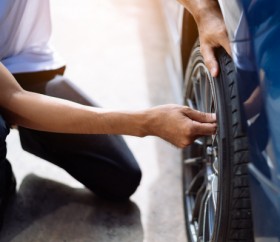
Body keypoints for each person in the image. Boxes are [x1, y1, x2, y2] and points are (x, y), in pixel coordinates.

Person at [0, 0, 230, 226]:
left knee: (120, 177)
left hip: (24, 69)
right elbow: (14, 100)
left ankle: (35, 131)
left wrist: (204, 10)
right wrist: (146, 123)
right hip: (11, 94)